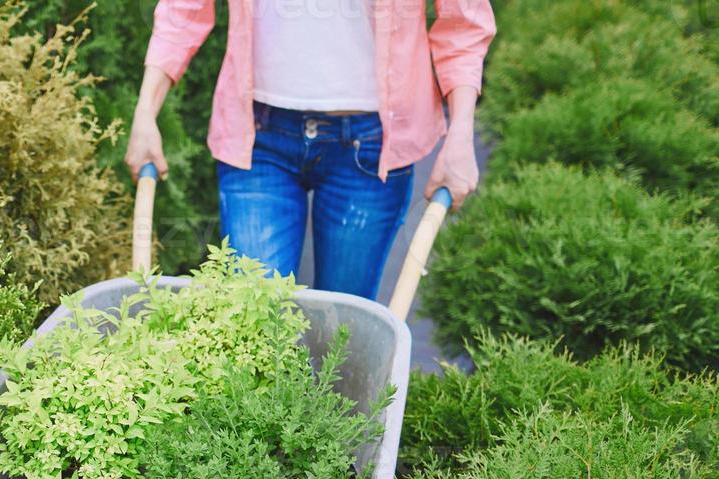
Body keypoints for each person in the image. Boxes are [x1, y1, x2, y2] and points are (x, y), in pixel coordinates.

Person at [126, 0, 496, 299]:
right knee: (253, 325)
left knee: (341, 336)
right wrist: (145, 112)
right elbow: (183, 9)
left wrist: (461, 133)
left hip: (371, 144)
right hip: (257, 138)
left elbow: (462, 24)